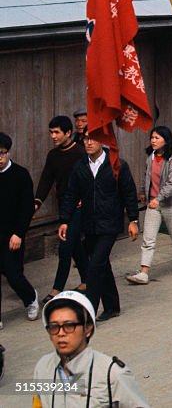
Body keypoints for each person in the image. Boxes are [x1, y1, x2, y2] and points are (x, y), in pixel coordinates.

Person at [60, 133, 140, 321]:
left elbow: (129, 192)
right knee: (102, 264)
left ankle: (89, 311)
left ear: (103, 140)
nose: (88, 142)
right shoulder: (80, 166)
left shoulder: (117, 164)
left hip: (110, 223)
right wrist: (64, 220)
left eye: (92, 138)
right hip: (89, 224)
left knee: (94, 266)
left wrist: (133, 220)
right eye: (85, 139)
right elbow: (70, 194)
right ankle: (112, 306)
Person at [33, 291, 149, 408]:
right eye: (54, 327)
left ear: (88, 329)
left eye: (69, 326)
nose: (61, 333)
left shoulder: (112, 373)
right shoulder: (43, 367)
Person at [126, 127, 172, 284]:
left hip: (170, 204)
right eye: (152, 137)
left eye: (157, 138)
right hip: (153, 204)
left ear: (166, 139)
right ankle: (143, 272)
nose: (153, 140)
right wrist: (143, 192)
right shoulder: (151, 157)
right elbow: (146, 177)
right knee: (148, 239)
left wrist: (159, 197)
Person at [34, 116, 88, 304]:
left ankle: (57, 289)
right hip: (63, 206)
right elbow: (46, 179)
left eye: (57, 132)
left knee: (65, 246)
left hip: (79, 207)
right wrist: (37, 201)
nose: (53, 136)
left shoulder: (81, 153)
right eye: (51, 132)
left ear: (68, 133)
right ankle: (87, 281)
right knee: (75, 246)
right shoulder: (53, 155)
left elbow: (91, 179)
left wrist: (85, 198)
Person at [0, 132, 41, 322]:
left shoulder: (20, 175)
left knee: (13, 275)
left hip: (12, 235)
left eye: (2, 153)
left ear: (9, 153)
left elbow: (26, 209)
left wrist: (18, 233)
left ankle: (31, 298)